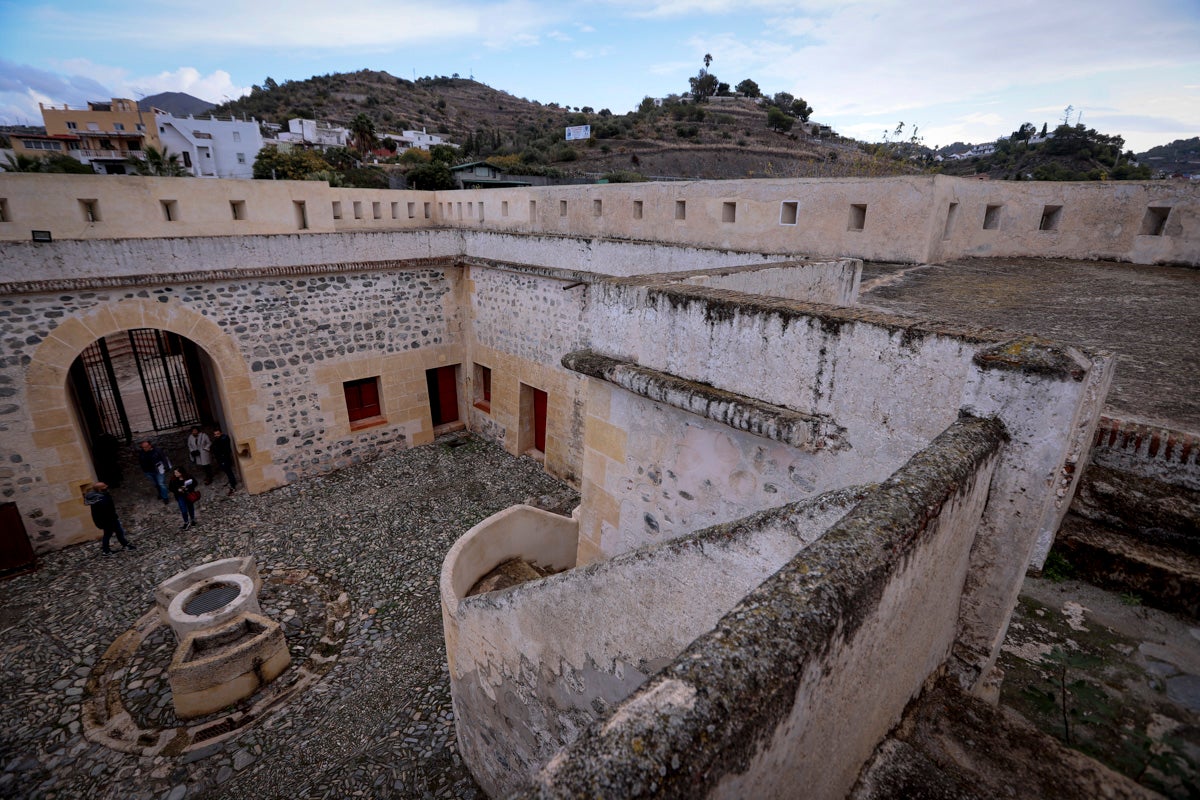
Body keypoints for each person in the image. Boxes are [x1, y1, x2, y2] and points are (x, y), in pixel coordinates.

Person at [84, 482, 136, 556]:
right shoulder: (101, 499)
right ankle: (108, 550)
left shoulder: (97, 497)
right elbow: (107, 511)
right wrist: (113, 519)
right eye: (104, 487)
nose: (106, 488)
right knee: (111, 533)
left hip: (107, 520)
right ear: (99, 489)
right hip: (108, 520)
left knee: (116, 532)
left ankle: (123, 545)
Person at [210, 429, 238, 495]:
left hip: (224, 458)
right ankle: (232, 482)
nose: (216, 436)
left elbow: (224, 449)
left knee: (229, 471)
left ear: (221, 433)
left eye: (218, 434)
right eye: (215, 434)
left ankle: (233, 486)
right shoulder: (217, 440)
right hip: (221, 459)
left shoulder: (223, 439)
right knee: (227, 471)